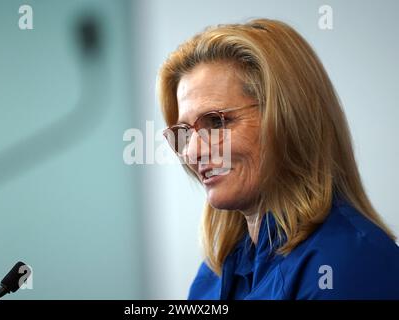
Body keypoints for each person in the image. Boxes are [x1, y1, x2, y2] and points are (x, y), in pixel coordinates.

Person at [157, 18, 399, 299]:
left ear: (289, 119)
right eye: (184, 133)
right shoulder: (216, 271)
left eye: (215, 122)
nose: (191, 152)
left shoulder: (353, 262)